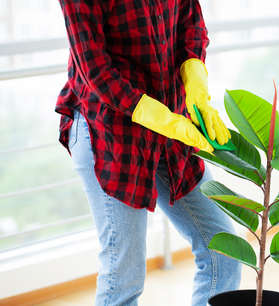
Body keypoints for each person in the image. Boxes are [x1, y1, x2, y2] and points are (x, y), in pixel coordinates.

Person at [55, 0, 242, 305]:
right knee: (124, 278)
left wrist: (194, 76)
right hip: (110, 132)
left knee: (225, 249)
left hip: (172, 125)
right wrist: (161, 119)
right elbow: (97, 72)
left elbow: (191, 23)